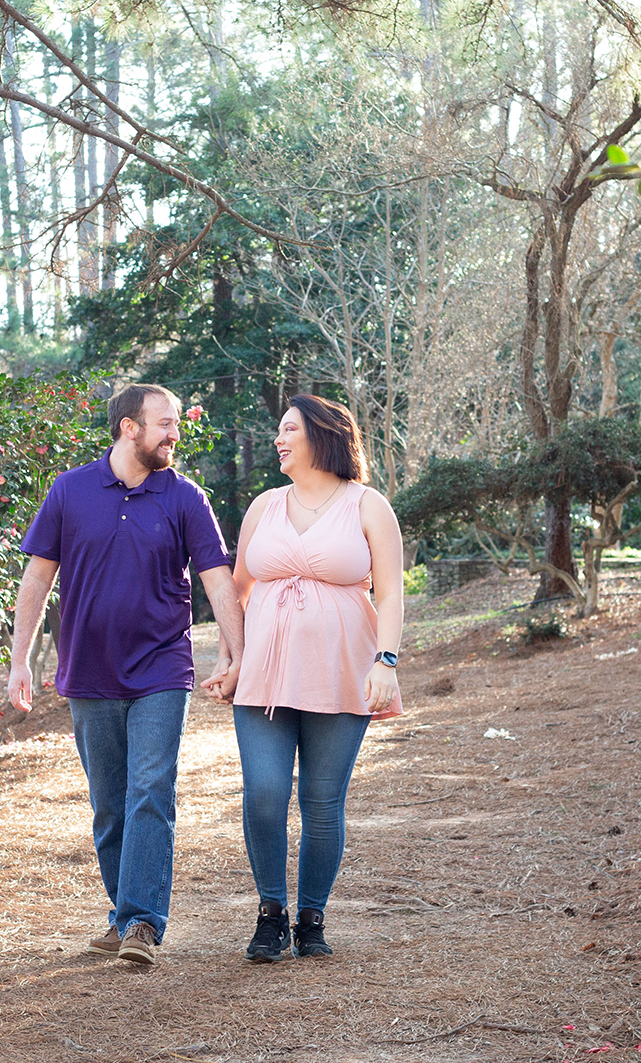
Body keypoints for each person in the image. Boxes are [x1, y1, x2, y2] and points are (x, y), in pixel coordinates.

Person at [9, 384, 246, 967]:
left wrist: (233, 654)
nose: (174, 433)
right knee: (110, 803)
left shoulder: (186, 497)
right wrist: (21, 658)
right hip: (88, 670)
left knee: (149, 791)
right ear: (128, 428)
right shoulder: (70, 491)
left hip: (162, 666)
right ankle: (122, 915)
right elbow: (38, 579)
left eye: (175, 424)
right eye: (164, 423)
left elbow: (217, 579)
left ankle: (142, 921)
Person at [202, 394, 403, 962]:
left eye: (289, 429)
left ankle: (311, 917)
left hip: (342, 673)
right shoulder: (265, 505)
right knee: (264, 793)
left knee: (321, 801)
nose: (278, 438)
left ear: (322, 436)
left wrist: (386, 662)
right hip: (263, 674)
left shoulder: (368, 506)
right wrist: (229, 659)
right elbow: (237, 591)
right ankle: (271, 913)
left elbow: (389, 593)